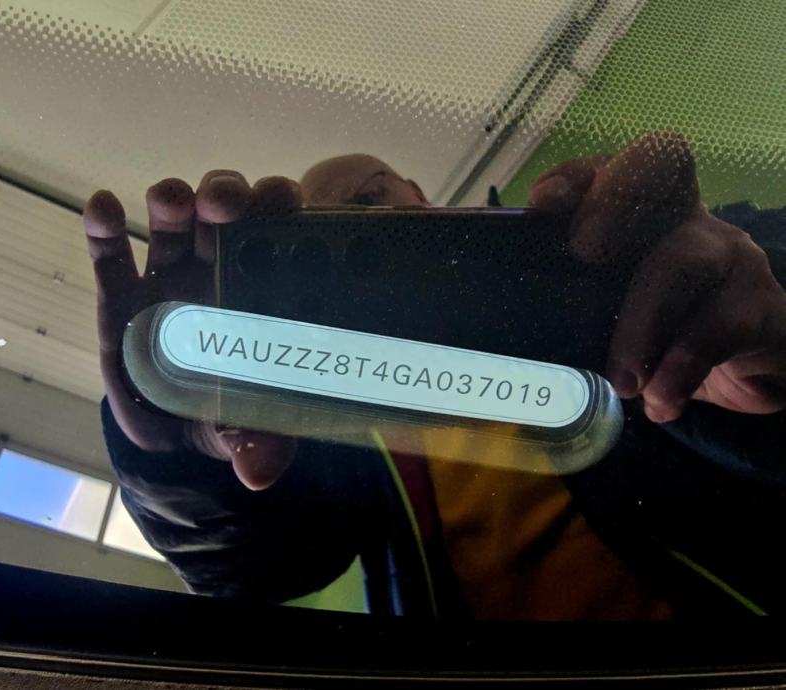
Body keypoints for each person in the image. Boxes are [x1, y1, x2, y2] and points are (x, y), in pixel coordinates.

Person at [83, 133, 786, 619]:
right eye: (328, 240)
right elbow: (250, 575)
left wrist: (771, 328)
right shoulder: (330, 420)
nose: (368, 237)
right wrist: (171, 445)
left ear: (417, 192)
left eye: (369, 201)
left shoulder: (615, 277)